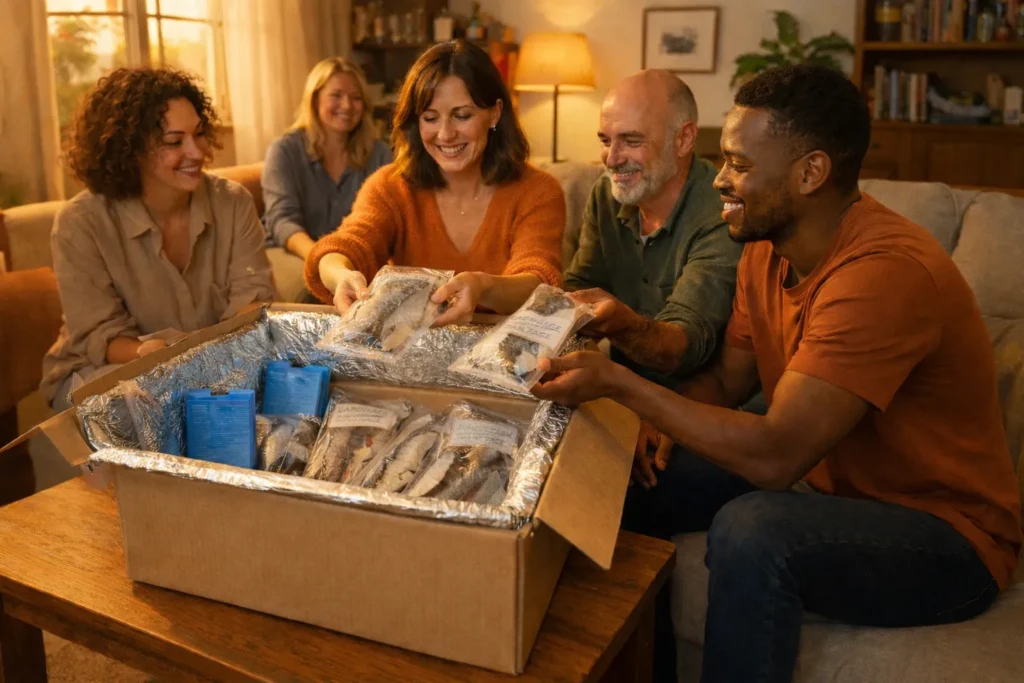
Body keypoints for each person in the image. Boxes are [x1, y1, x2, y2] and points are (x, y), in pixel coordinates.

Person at [532, 65, 1022, 683]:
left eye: (738, 164)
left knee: (753, 529)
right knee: (625, 472)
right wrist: (656, 424)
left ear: (810, 173)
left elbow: (775, 458)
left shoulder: (882, 274)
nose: (720, 181)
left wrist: (623, 388)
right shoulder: (765, 248)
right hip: (830, 487)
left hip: (950, 540)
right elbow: (727, 383)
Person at [40, 68, 276, 411]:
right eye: (174, 142)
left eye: (199, 134)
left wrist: (213, 364)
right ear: (131, 150)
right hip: (105, 368)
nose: (196, 152)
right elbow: (100, 336)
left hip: (205, 364)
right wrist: (149, 353)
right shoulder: (81, 222)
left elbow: (252, 302)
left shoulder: (233, 202)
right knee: (146, 406)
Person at [304, 40, 565, 325]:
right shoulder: (389, 186)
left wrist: (483, 287)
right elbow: (343, 248)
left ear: (495, 112)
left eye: (462, 116)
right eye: (430, 118)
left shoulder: (538, 191)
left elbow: (540, 281)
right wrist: (342, 275)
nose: (445, 134)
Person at [564, 70, 741, 387]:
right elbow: (579, 287)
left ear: (683, 139)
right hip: (618, 390)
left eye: (631, 141)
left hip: (696, 404)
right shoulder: (606, 195)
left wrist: (620, 325)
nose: (612, 159)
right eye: (606, 141)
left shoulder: (722, 215)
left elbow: (684, 346)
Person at [262, 57, 392, 262]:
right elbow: (282, 221)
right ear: (315, 100)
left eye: (356, 97)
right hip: (295, 253)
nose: (347, 105)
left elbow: (387, 220)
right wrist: (322, 258)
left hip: (355, 256)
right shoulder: (284, 150)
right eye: (336, 95)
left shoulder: (380, 154)